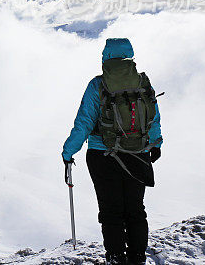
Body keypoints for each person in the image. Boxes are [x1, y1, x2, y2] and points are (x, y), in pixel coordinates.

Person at [61, 38, 163, 265]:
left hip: (102, 155)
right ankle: (137, 257)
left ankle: (116, 257)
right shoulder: (143, 83)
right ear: (131, 56)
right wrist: (156, 143)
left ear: (105, 58)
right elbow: (153, 117)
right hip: (138, 153)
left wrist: (68, 152)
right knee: (135, 209)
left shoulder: (97, 86)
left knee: (111, 210)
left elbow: (84, 123)